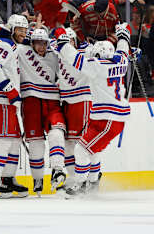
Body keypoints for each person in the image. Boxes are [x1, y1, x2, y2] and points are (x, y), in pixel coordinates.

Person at [53, 23, 131, 196]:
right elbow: (124, 48)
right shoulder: (122, 61)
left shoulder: (97, 66)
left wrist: (61, 38)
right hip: (107, 117)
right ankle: (93, 183)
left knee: (81, 149)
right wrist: (124, 34)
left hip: (108, 117)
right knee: (92, 150)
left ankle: (79, 185)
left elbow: (72, 57)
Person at [0, 15, 29, 198]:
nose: (23, 33)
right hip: (1, 98)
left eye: (25, 30)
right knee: (5, 139)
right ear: (11, 29)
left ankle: (7, 178)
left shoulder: (13, 45)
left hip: (7, 100)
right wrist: (10, 89)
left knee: (14, 139)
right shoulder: (5, 44)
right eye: (20, 29)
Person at [18, 27, 67, 196]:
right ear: (31, 43)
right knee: (36, 144)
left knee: (57, 133)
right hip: (30, 101)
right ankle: (37, 180)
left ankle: (58, 169)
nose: (41, 46)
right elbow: (8, 39)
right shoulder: (22, 51)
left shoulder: (54, 55)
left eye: (43, 43)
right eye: (37, 43)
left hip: (52, 100)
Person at [56, 28, 95, 189]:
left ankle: (89, 179)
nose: (68, 44)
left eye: (71, 40)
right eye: (66, 41)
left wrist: (125, 52)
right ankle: (74, 179)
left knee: (83, 143)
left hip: (82, 101)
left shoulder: (87, 52)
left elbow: (105, 55)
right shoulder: (57, 50)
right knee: (69, 143)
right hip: (66, 102)